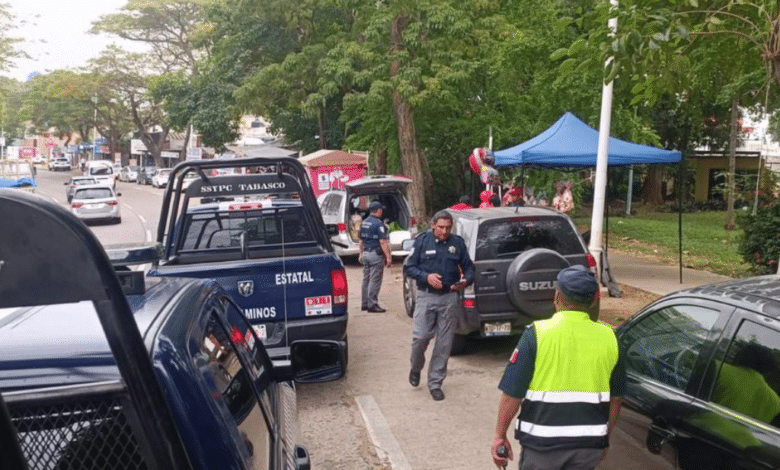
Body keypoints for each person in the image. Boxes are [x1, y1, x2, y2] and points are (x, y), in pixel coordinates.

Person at [491, 265, 626, 470]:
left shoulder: (536, 334)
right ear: (593, 301)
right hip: (588, 447)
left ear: (557, 297)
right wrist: (602, 439)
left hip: (542, 447)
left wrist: (499, 436)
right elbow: (615, 400)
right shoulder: (611, 338)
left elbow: (512, 394)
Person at [404, 210, 475, 401]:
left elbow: (469, 267)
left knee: (444, 344)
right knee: (421, 337)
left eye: (448, 227)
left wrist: (465, 281)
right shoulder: (422, 242)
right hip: (426, 296)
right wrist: (426, 277)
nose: (444, 231)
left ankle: (435, 382)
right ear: (433, 225)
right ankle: (416, 367)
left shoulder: (457, 243)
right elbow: (409, 267)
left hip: (449, 298)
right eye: (440, 227)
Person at [358, 201, 392, 312]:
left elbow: (360, 240)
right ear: (378, 210)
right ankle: (372, 304)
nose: (382, 211)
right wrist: (388, 257)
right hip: (375, 255)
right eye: (381, 209)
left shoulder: (364, 222)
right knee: (375, 280)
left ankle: (364, 303)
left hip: (366, 253)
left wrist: (361, 253)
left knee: (366, 279)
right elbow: (382, 241)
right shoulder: (378, 223)